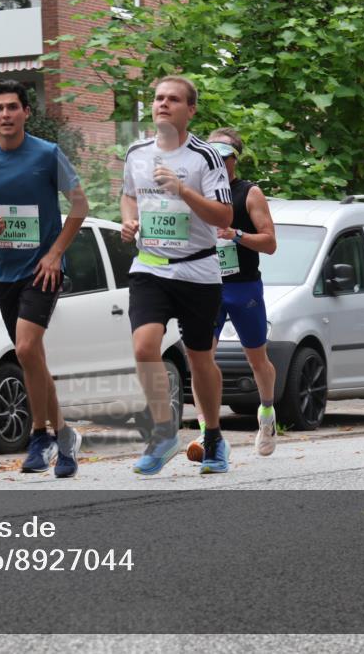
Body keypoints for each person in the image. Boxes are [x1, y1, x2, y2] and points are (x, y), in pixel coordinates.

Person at [0, 79, 90, 478]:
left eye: (13, 107)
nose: (5, 115)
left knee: (28, 349)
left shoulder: (47, 154)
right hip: (3, 270)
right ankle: (63, 435)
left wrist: (54, 254)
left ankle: (38, 435)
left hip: (42, 270)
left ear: (26, 112)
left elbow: (80, 206)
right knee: (32, 357)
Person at [120, 76, 233, 475]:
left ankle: (215, 437)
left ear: (191, 110)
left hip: (197, 270)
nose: (163, 105)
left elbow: (224, 217)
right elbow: (129, 194)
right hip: (150, 266)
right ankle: (164, 431)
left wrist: (183, 190)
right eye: (158, 99)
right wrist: (129, 221)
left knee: (200, 358)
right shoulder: (136, 152)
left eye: (173, 99)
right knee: (144, 347)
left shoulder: (205, 157)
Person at [188, 128, 279, 463]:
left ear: (233, 160)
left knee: (257, 358)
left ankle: (267, 413)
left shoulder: (249, 193)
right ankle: (206, 431)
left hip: (244, 287)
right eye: (211, 155)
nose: (216, 163)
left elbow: (270, 243)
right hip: (207, 285)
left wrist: (237, 234)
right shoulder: (199, 193)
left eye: (223, 157)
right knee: (200, 358)